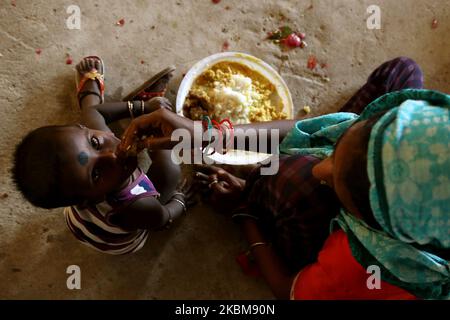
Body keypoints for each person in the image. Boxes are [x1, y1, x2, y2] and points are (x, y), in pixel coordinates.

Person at [118, 57, 449, 299]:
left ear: (378, 230)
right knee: (401, 70)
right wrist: (203, 133)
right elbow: (319, 133)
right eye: (338, 148)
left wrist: (245, 209)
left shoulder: (363, 268)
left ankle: (266, 198)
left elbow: (288, 290)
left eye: (335, 179)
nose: (321, 168)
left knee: (291, 180)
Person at [13, 56, 194, 255]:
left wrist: (141, 108)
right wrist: (179, 200)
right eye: (96, 174)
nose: (112, 156)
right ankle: (151, 124)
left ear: (82, 129)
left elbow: (95, 115)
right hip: (121, 235)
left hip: (81, 219)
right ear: (90, 199)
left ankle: (131, 105)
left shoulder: (83, 169)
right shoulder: (136, 206)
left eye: (94, 143)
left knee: (91, 114)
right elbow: (161, 219)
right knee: (169, 172)